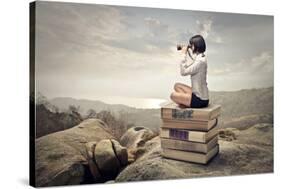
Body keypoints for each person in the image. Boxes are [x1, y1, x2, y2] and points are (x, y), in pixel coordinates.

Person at [170, 35, 209, 108]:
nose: (191, 47)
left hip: (199, 100)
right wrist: (187, 50)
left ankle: (185, 103)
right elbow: (192, 62)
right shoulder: (201, 57)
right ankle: (185, 101)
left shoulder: (200, 62)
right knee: (177, 86)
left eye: (192, 45)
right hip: (201, 95)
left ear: (195, 46)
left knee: (172, 95)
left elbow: (183, 72)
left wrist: (183, 54)